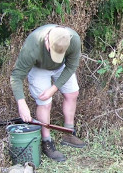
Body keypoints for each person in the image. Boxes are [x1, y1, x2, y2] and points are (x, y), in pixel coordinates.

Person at [10, 24, 85, 162]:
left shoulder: (73, 39)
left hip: (61, 67)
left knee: (72, 93)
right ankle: (47, 142)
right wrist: (21, 103)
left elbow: (71, 66)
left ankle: (68, 133)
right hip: (39, 68)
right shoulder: (32, 46)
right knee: (44, 103)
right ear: (46, 40)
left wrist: (54, 88)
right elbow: (16, 76)